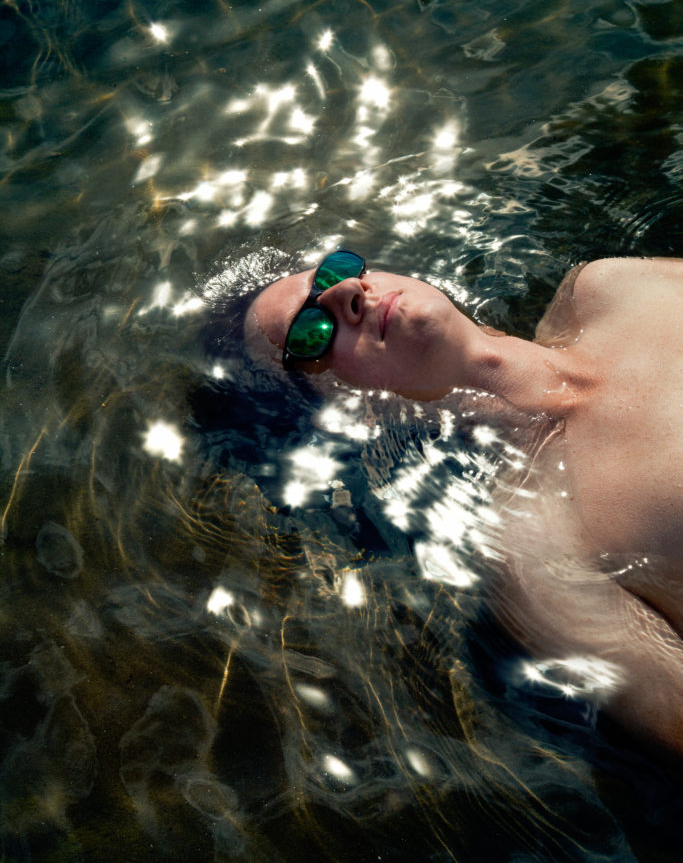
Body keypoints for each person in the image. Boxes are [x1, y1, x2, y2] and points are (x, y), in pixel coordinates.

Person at [245, 249, 683, 759]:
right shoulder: (538, 555)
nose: (347, 292)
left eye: (336, 272)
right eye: (310, 332)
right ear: (344, 411)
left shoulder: (612, 287)